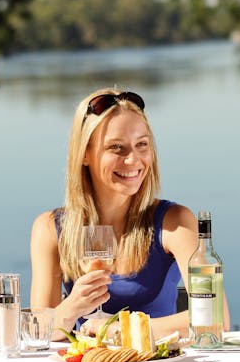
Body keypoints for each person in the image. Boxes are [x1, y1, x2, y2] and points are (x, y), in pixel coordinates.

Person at [30, 88, 229, 340]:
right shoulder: (50, 228)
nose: (133, 160)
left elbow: (215, 319)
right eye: (117, 148)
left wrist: (118, 329)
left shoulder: (175, 224)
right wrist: (71, 309)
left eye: (142, 145)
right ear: (85, 154)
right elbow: (36, 333)